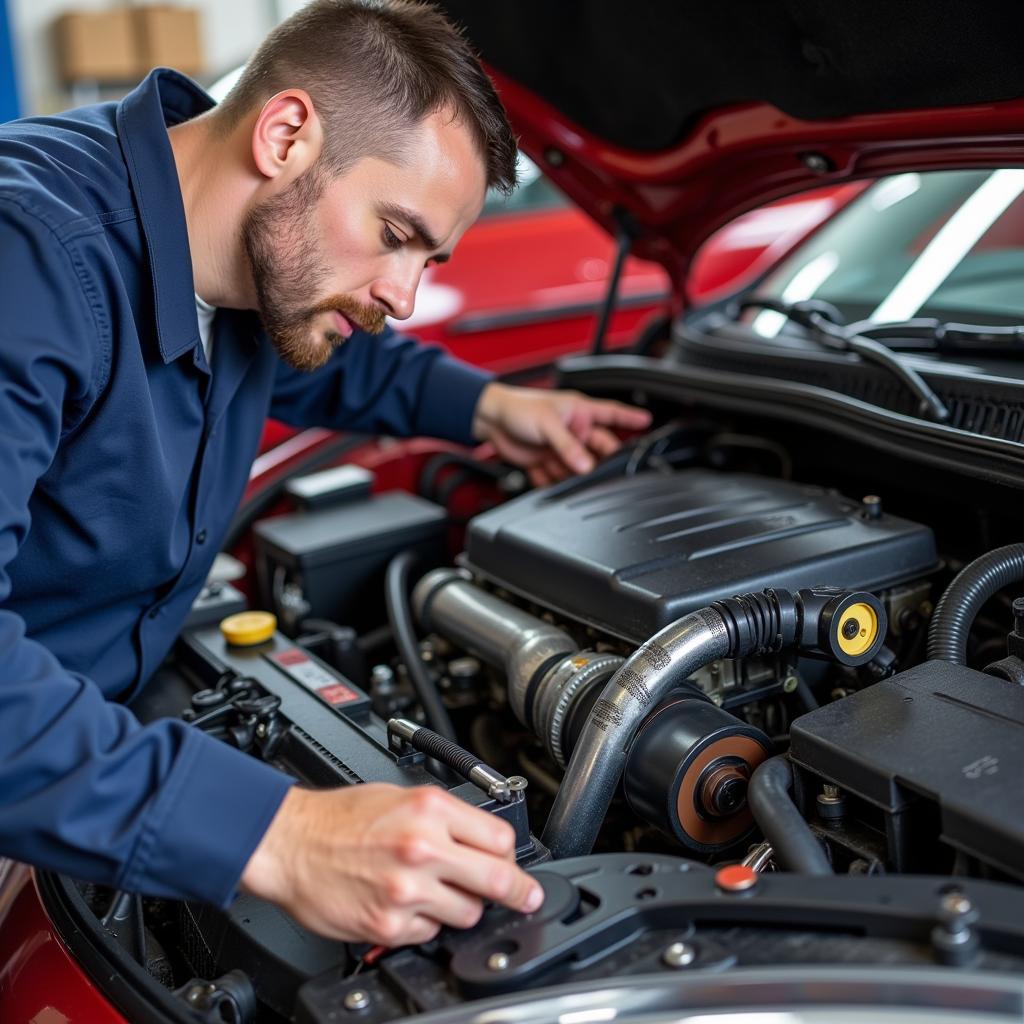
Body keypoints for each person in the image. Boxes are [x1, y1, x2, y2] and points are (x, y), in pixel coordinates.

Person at [0, 0, 650, 945]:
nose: (405, 293)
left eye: (430, 257)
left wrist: (491, 409)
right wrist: (282, 834)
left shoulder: (240, 250)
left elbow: (341, 351)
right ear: (286, 134)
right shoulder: (31, 261)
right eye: (396, 232)